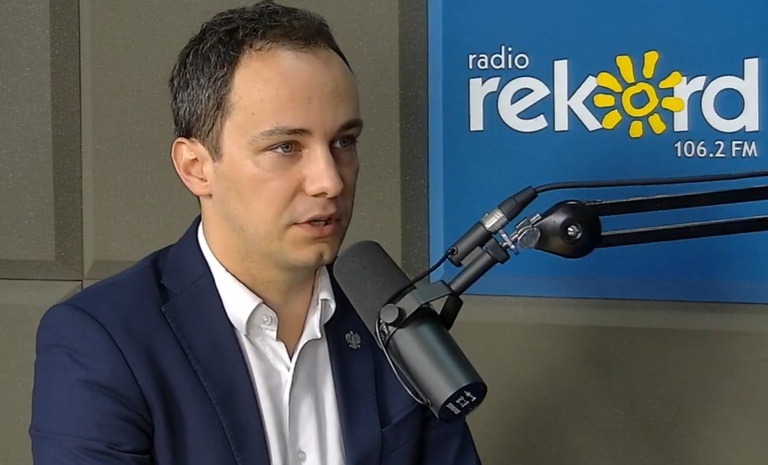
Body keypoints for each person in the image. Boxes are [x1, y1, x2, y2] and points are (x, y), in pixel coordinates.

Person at [28, 1, 482, 464]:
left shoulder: (390, 319)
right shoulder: (102, 339)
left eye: (344, 141)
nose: (330, 181)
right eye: (285, 147)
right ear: (196, 167)